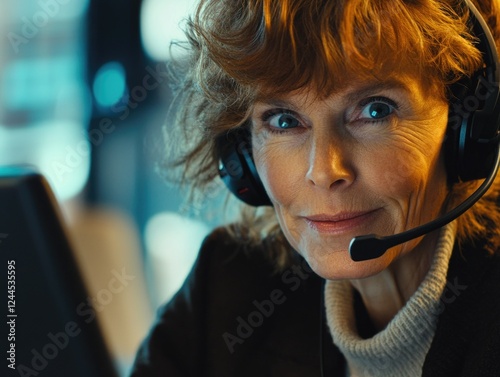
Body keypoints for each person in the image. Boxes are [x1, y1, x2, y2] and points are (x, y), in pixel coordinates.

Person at [130, 0, 500, 375]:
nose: (324, 171)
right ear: (240, 151)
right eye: (284, 120)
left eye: (376, 110)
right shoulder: (228, 289)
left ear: (468, 128)